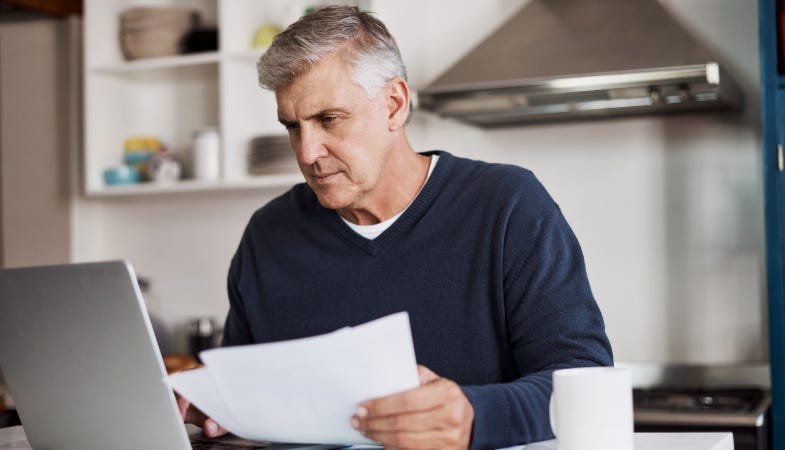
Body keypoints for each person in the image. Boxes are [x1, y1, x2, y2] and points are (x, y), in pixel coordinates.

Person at [179, 6, 613, 450]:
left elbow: (586, 383)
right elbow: (242, 389)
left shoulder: (507, 205)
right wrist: (212, 403)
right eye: (293, 126)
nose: (308, 152)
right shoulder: (269, 234)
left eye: (328, 119)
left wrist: (475, 415)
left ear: (394, 104)